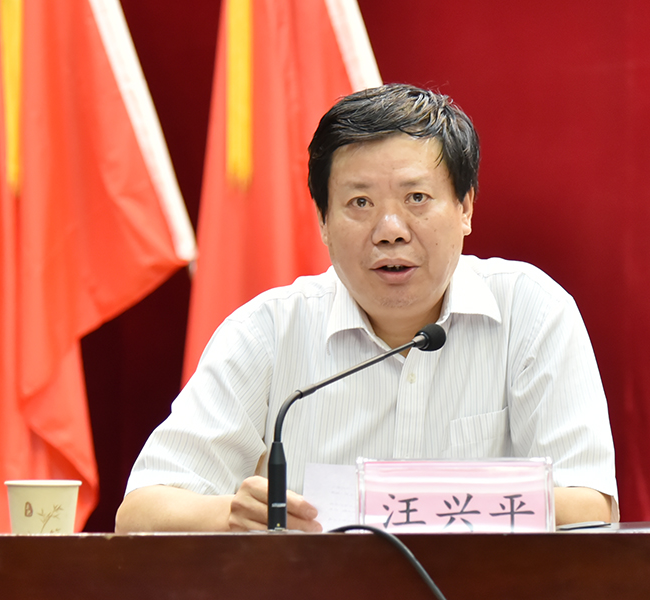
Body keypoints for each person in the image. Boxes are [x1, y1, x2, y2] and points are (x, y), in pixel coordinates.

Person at [115, 83, 618, 533]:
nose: (390, 230)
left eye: (416, 197)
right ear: (323, 221)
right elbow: (140, 512)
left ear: (465, 207)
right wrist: (231, 514)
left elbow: (591, 505)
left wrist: (396, 504)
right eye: (360, 203)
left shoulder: (532, 313)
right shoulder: (267, 332)